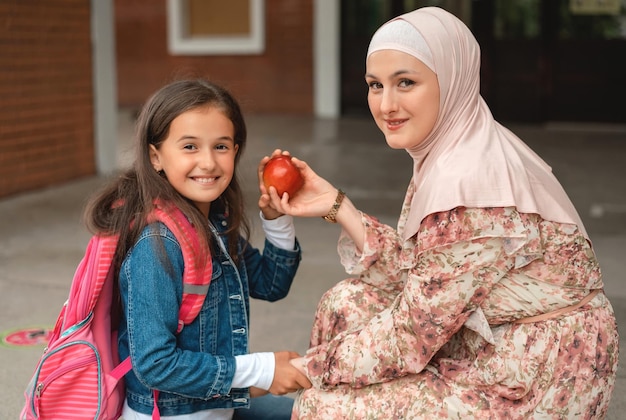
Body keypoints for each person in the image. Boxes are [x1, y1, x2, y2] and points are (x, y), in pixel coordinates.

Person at [264, 7, 620, 419]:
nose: (386, 104)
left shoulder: (469, 181)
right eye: (375, 85)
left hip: (534, 378)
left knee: (322, 408)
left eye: (406, 83)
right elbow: (426, 278)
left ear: (451, 81)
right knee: (347, 302)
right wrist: (337, 207)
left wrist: (302, 370)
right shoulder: (460, 145)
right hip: (497, 340)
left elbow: (412, 335)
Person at [84, 78, 311, 419]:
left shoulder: (214, 225)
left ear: (236, 151)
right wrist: (262, 370)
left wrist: (275, 218)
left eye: (221, 146)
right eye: (190, 147)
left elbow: (270, 284)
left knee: (315, 412)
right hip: (173, 413)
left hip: (217, 406)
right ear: (155, 156)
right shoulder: (157, 246)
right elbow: (155, 365)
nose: (208, 162)